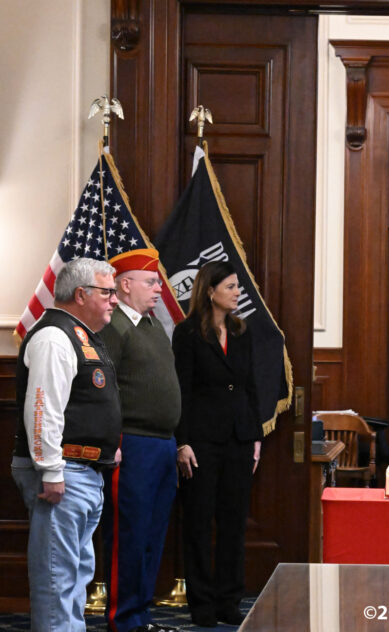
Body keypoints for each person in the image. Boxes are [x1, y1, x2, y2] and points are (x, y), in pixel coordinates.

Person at [10, 258, 121, 631]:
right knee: (57, 578)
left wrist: (107, 447)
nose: (114, 300)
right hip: (62, 476)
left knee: (75, 574)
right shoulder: (55, 337)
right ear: (80, 294)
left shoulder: (80, 335)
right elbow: (43, 410)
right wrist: (51, 471)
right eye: (107, 292)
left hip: (83, 473)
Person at [173, 261, 262, 627]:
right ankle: (202, 603)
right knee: (197, 523)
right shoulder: (188, 333)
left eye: (237, 286)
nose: (237, 292)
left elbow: (251, 386)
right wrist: (183, 442)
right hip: (202, 443)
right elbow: (182, 390)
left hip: (240, 441)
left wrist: (255, 436)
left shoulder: (241, 332)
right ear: (210, 291)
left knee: (233, 523)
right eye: (230, 286)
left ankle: (229, 599)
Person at [98, 248, 181, 632]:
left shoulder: (151, 327)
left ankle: (142, 615)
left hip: (163, 443)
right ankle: (123, 619)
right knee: (129, 534)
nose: (159, 289)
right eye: (151, 282)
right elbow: (105, 389)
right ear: (124, 284)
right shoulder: (113, 327)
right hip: (132, 444)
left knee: (152, 534)